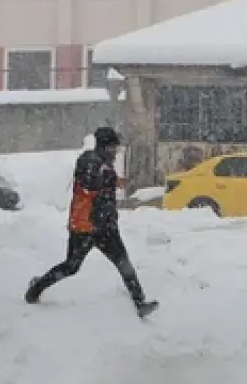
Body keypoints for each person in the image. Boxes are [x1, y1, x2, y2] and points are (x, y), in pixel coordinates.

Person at [24, 127, 157, 318]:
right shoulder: (89, 161)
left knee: (123, 263)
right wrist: (104, 176)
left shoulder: (105, 166)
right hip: (84, 226)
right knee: (71, 267)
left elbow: (104, 195)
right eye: (112, 148)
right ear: (102, 147)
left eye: (116, 148)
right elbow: (88, 185)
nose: (115, 152)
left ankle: (140, 303)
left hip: (106, 227)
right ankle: (36, 288)